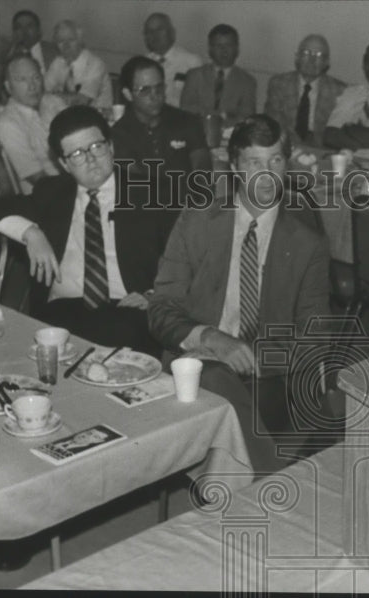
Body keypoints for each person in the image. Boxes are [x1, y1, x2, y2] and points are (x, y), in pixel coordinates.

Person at [147, 114, 330, 475]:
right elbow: (161, 309)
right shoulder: (197, 221)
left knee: (219, 386)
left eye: (276, 161)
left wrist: (253, 357)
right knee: (212, 375)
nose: (266, 175)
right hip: (195, 360)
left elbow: (315, 339)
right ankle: (266, 482)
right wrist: (213, 338)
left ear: (287, 166)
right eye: (254, 163)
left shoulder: (307, 244)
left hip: (267, 376)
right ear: (234, 167)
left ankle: (246, 486)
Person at [0, 106, 174, 356]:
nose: (91, 160)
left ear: (110, 147)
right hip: (62, 310)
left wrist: (155, 295)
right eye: (77, 154)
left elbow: (190, 256)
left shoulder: (150, 192)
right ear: (64, 164)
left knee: (119, 337)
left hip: (126, 308)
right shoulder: (52, 193)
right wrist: (31, 232)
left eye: (96, 147)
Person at [111, 55, 210, 233]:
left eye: (159, 88)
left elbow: (202, 165)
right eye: (145, 90)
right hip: (143, 219)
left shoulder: (186, 121)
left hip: (188, 212)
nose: (155, 96)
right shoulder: (119, 134)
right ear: (127, 94)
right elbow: (139, 184)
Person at [0, 54, 66, 193]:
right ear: (8, 87)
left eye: (36, 77)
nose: (32, 86)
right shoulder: (7, 125)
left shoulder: (53, 103)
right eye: (22, 80)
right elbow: (39, 180)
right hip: (48, 197)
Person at [264, 35, 346, 146]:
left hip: (322, 150)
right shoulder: (279, 83)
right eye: (306, 53)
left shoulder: (339, 90)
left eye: (319, 55)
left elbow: (337, 133)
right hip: (286, 145)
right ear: (297, 57)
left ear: (327, 62)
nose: (311, 60)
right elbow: (274, 123)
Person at [180, 24, 256, 128]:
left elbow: (246, 117)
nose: (224, 50)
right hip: (196, 130)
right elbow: (186, 108)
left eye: (228, 45)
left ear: (237, 49)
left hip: (230, 134)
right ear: (210, 49)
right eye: (218, 46)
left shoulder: (247, 81)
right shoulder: (194, 75)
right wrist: (223, 114)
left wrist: (212, 118)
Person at [44, 20, 113, 109]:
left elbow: (81, 101)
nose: (66, 45)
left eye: (71, 40)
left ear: (80, 41)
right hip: (64, 115)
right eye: (61, 41)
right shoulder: (58, 62)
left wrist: (54, 95)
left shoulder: (95, 64)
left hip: (97, 115)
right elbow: (43, 90)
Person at [143, 12, 202, 108]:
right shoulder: (143, 62)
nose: (154, 35)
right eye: (149, 31)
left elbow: (198, 102)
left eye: (159, 29)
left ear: (172, 33)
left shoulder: (191, 62)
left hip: (180, 118)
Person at [9, 10, 59, 75]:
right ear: (14, 33)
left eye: (29, 26)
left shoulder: (54, 51)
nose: (24, 31)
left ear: (39, 31)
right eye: (18, 27)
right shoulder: (9, 55)